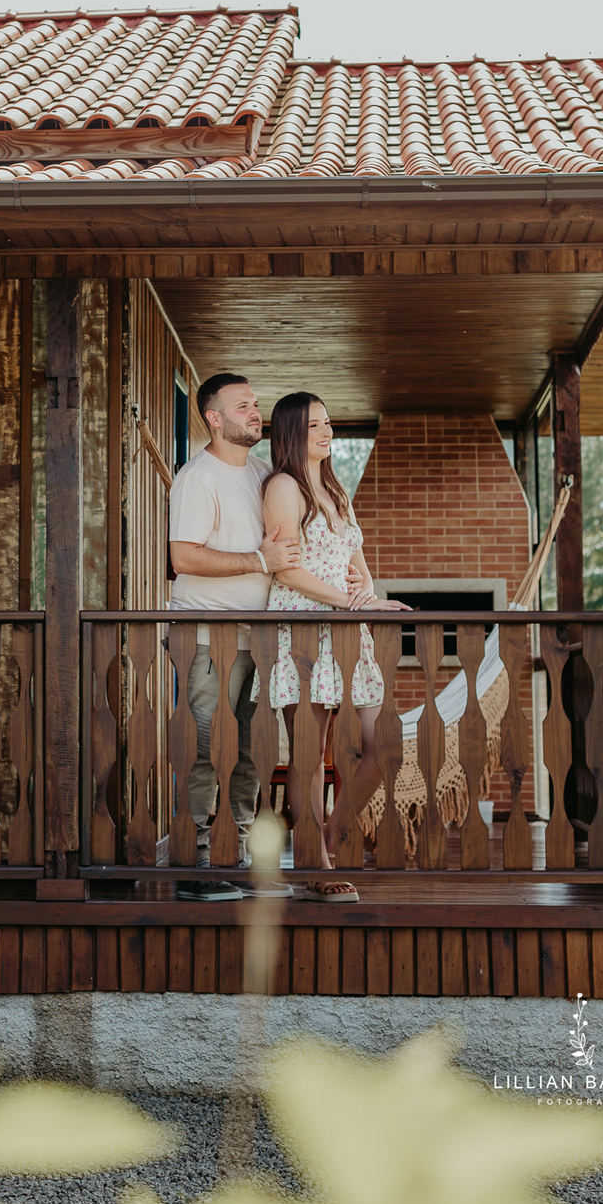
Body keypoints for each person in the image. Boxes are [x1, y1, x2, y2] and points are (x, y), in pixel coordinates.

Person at [258, 391, 411, 899]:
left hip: (348, 631)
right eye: (315, 426)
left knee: (384, 743)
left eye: (329, 423)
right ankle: (315, 864)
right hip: (304, 628)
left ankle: (328, 834)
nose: (327, 433)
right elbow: (287, 568)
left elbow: (356, 564)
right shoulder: (283, 486)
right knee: (310, 752)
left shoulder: (336, 490)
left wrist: (368, 599)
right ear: (291, 433)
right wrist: (351, 604)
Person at [168, 373, 300, 893]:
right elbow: (183, 556)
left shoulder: (264, 473)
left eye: (256, 403)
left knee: (248, 751)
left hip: (257, 642)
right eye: (242, 405)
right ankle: (201, 863)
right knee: (207, 748)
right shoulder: (198, 478)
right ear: (213, 418)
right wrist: (258, 559)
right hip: (207, 640)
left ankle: (238, 850)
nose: (255, 411)